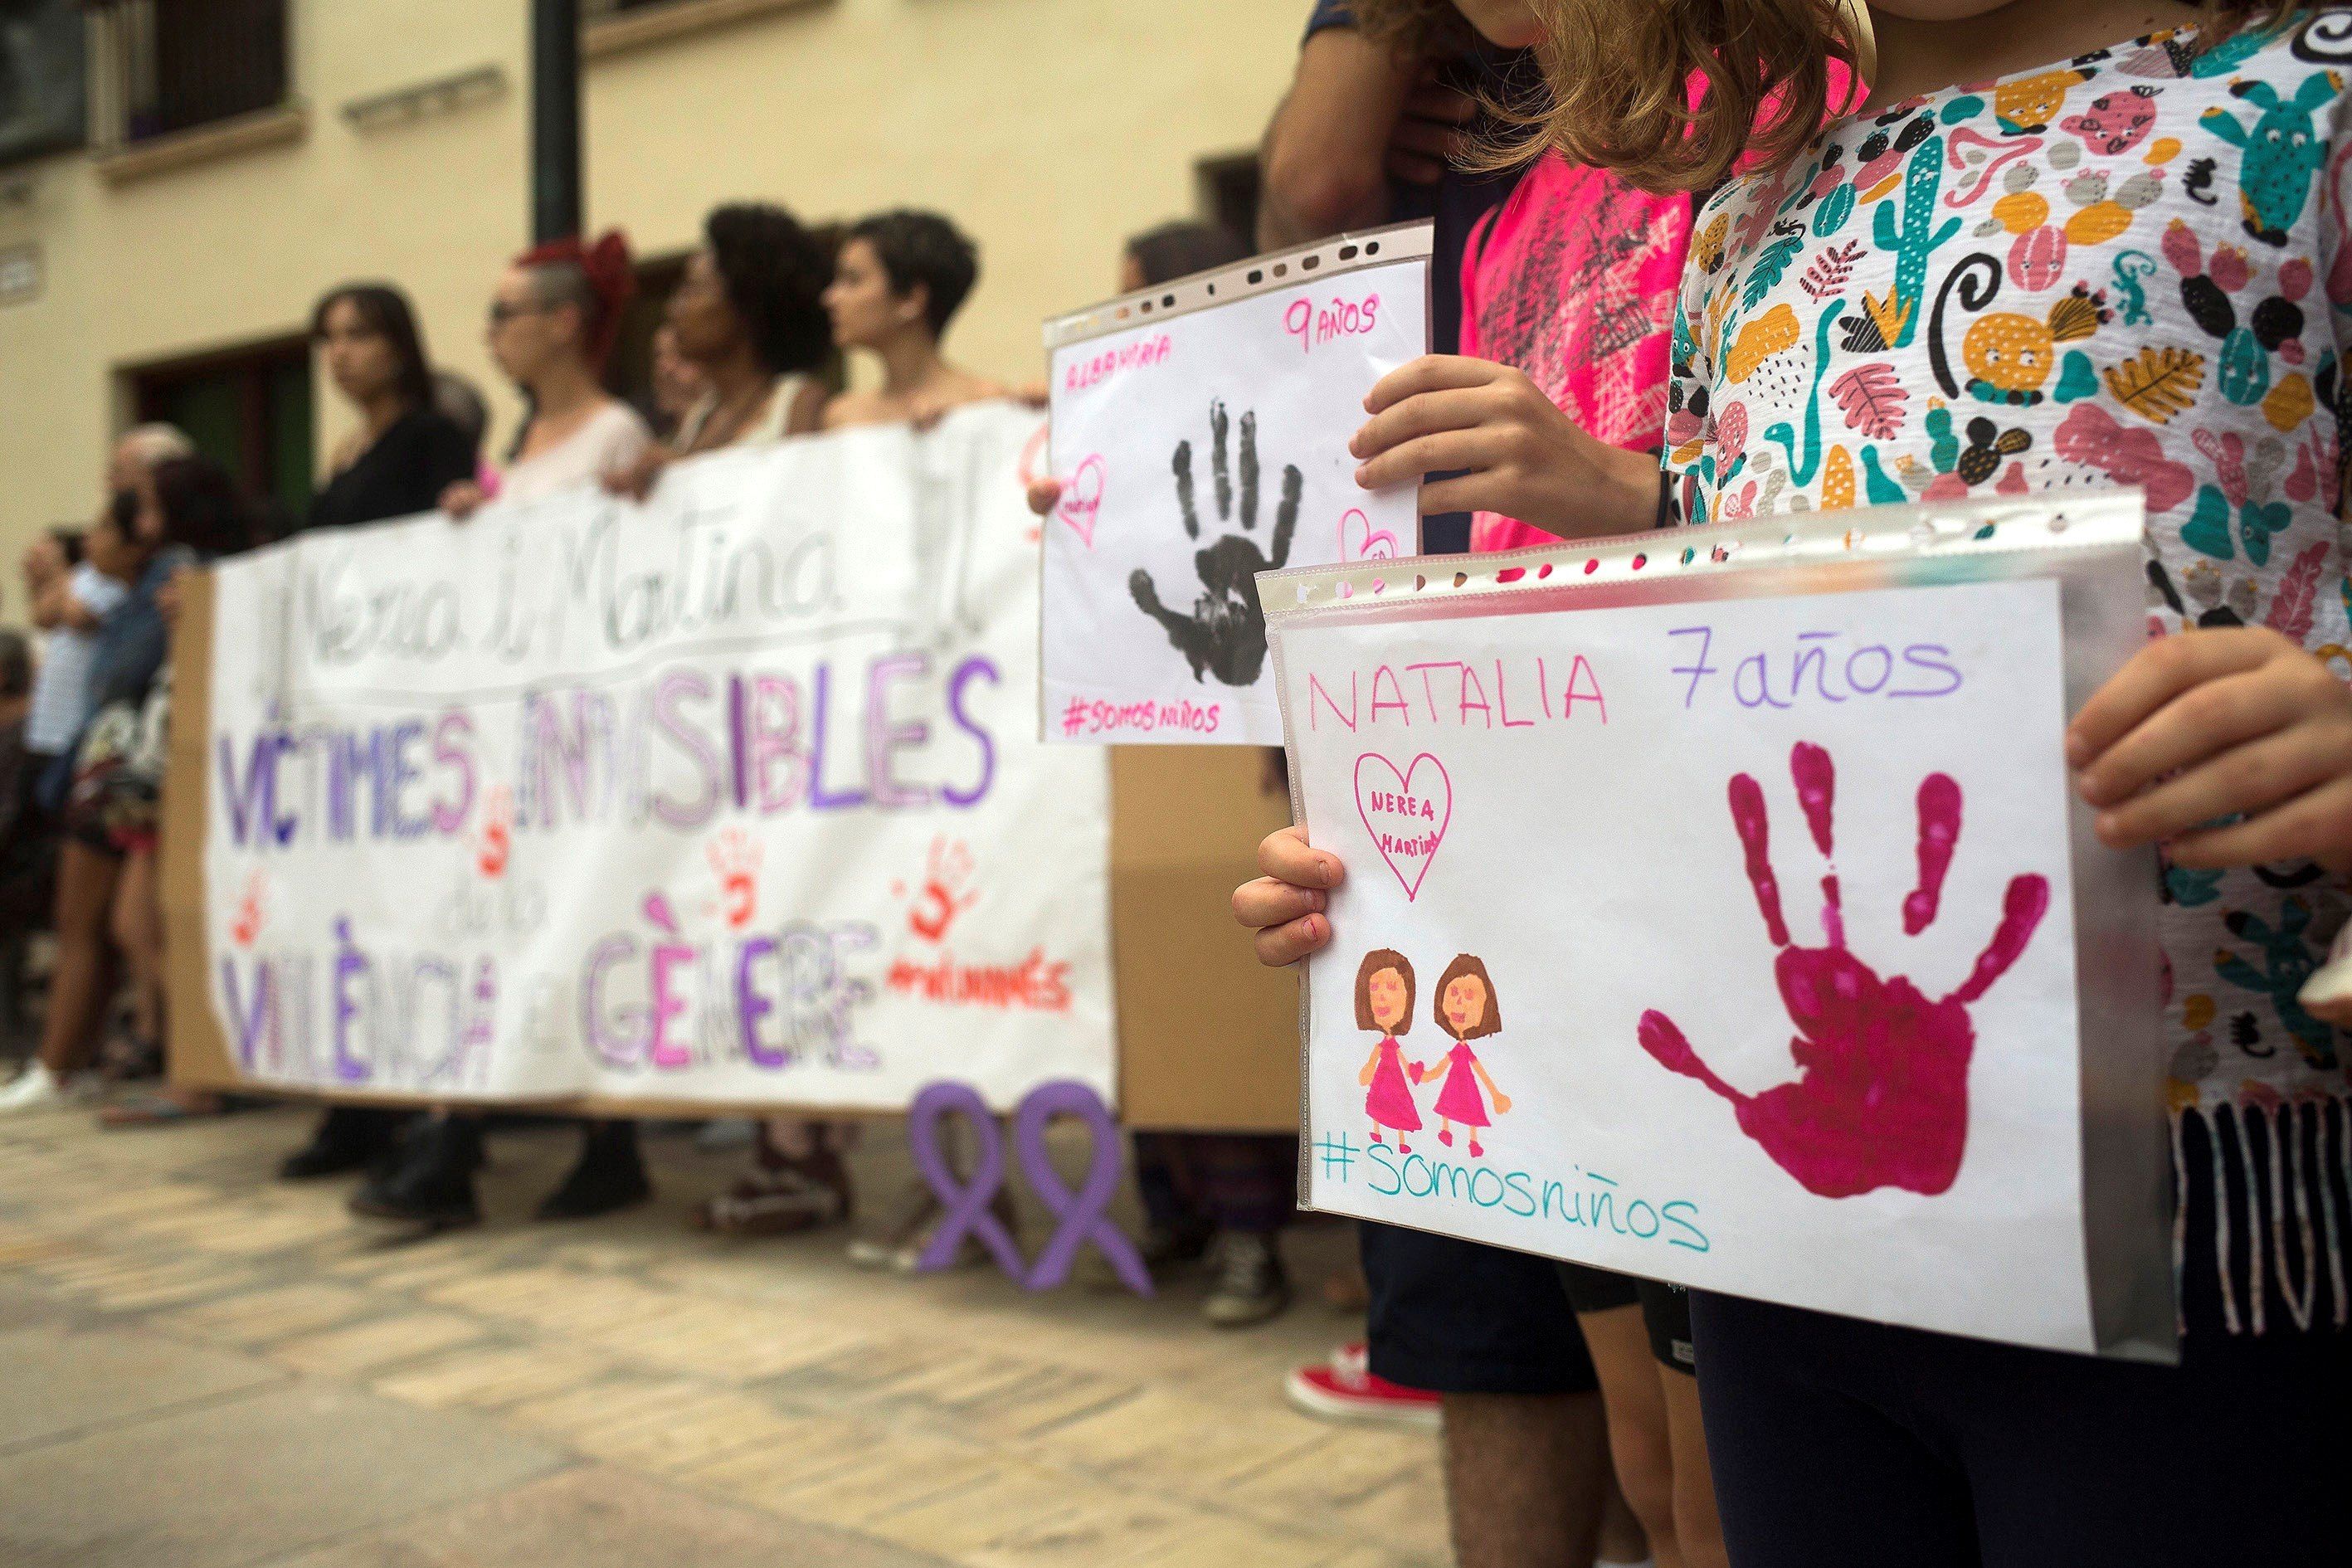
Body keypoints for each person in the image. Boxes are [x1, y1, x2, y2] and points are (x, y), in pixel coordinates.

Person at [1264, 2, 2352, 1561]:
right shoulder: (1756, 214)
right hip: (1783, 1229)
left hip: (2210, 1198)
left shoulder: (2307, 109)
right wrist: (1413, 890)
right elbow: (1702, 683)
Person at [351, 233, 662, 1230]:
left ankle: (537, 1140)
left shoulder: (612, 433)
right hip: (506, 736)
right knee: (499, 925)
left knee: (567, 921)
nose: (488, 334)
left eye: (503, 314)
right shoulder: (517, 449)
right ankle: (479, 1134)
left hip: (576, 732)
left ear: (562, 322)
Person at [276, 283, 480, 1178]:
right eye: (328, 338)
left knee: (409, 909)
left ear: (400, 344)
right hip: (346, 711)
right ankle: (357, 1103)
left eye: (358, 335)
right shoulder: (345, 452)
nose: (340, 354)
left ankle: (414, 1106)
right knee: (347, 911)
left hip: (410, 704)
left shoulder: (431, 440)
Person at [2, 455, 256, 1113]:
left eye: (138, 511)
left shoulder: (175, 577)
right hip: (128, 766)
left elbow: (125, 675)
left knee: (127, 924)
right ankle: (138, 1060)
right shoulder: (145, 585)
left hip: (142, 769)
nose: (99, 539)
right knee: (126, 925)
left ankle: (161, 1063)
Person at [607, 202, 835, 505]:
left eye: (694, 290)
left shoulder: (800, 404)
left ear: (746, 307)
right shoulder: (698, 418)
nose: (675, 308)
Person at [820, 208, 1004, 429]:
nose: (829, 298)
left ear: (910, 300)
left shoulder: (987, 403)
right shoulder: (842, 416)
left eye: (853, 280)